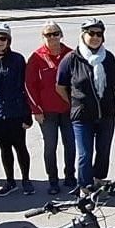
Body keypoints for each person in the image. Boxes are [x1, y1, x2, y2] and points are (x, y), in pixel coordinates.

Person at [57, 17, 115, 189]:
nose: (95, 37)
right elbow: (61, 87)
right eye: (91, 33)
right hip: (82, 116)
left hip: (106, 114)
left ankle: (98, 178)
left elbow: (114, 85)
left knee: (103, 150)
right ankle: (84, 186)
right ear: (83, 35)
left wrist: (101, 99)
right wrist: (77, 101)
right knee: (85, 154)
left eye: (99, 34)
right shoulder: (71, 59)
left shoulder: (108, 58)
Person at [0, 23, 34, 196]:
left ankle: (26, 180)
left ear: (8, 40)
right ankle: (10, 181)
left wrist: (27, 114)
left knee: (20, 147)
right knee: (5, 149)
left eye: (3, 38)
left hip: (15, 113)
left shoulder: (17, 59)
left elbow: (26, 87)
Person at [26, 21, 75, 195]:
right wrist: (36, 110)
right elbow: (29, 86)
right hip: (47, 112)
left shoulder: (71, 54)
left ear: (61, 35)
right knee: (50, 146)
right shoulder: (36, 57)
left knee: (71, 144)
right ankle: (53, 180)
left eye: (55, 33)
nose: (52, 37)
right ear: (43, 37)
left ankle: (70, 176)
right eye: (48, 34)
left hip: (69, 110)